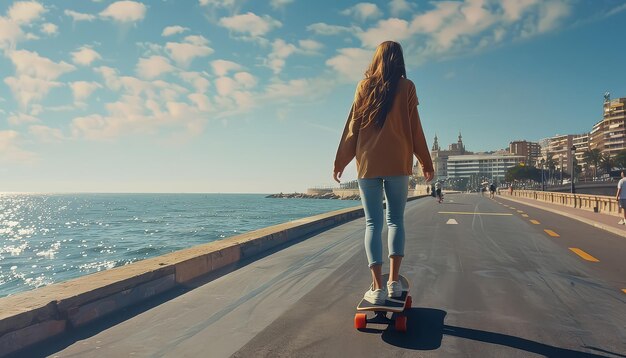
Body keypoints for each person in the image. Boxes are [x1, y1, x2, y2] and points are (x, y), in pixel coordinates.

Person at [333, 41, 434, 305]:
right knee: (396, 221)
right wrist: (426, 161)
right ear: (399, 60)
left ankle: (376, 287)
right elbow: (416, 129)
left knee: (372, 224)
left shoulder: (364, 87)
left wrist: (340, 161)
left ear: (376, 59)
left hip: (368, 165)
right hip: (398, 164)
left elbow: (352, 127)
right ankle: (393, 283)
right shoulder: (407, 87)